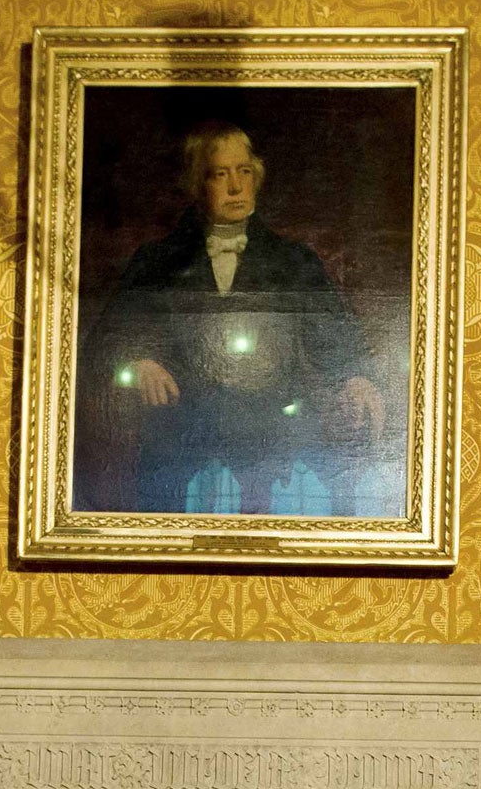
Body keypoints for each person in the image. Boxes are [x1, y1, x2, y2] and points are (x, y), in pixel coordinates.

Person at [85, 120, 387, 516]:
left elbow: (336, 336)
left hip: (272, 443)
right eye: (219, 174)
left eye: (244, 172)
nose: (235, 187)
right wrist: (138, 361)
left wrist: (358, 377)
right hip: (180, 441)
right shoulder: (155, 262)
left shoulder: (294, 262)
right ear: (196, 184)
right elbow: (106, 340)